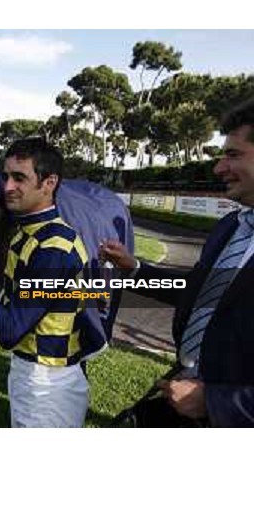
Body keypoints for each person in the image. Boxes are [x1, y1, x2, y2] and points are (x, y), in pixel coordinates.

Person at [100, 97, 254, 427]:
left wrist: (215, 403)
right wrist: (135, 269)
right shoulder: (231, 227)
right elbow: (201, 292)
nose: (218, 168)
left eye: (233, 154)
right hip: (184, 395)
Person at [0, 138, 104, 428]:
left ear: (49, 183)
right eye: (7, 176)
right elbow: (11, 197)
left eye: (19, 178)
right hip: (37, 376)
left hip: (46, 385)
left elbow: (9, 330)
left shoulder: (53, 249)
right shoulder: (35, 222)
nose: (8, 186)